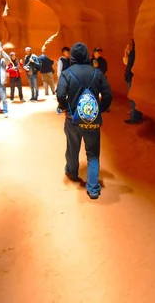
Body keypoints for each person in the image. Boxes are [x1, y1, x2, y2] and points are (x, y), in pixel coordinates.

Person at [56, 42, 112, 200]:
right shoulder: (97, 72)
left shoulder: (67, 73)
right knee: (93, 154)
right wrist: (99, 110)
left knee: (72, 148)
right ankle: (93, 188)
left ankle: (72, 172)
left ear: (72, 56)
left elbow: (60, 94)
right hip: (92, 120)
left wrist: (66, 108)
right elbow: (107, 95)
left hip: (73, 119)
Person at [123, 39, 143, 124]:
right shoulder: (134, 53)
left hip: (131, 77)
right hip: (131, 77)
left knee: (133, 99)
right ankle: (136, 115)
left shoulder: (135, 53)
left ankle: (135, 117)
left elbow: (129, 65)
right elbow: (127, 62)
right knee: (134, 98)